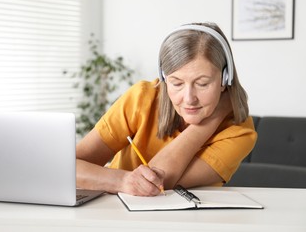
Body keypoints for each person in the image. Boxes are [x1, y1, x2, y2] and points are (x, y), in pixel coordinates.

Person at [76, 22, 257, 196]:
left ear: (225, 79)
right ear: (164, 79)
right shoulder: (142, 98)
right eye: (176, 83)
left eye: (202, 84)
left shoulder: (240, 132)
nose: (189, 98)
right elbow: (65, 167)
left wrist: (211, 121)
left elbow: (157, 183)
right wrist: (122, 181)